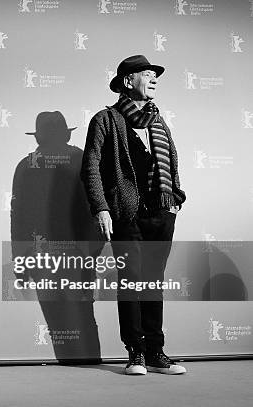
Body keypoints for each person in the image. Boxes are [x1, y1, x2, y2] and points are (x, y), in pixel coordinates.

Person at [80, 55, 187, 375]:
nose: (154, 79)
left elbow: (170, 159)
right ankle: (136, 353)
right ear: (128, 81)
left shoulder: (157, 118)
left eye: (156, 76)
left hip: (161, 213)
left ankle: (156, 352)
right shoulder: (106, 119)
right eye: (148, 75)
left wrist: (175, 197)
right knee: (131, 283)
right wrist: (101, 207)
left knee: (154, 284)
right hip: (127, 214)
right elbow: (91, 168)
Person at [11, 111, 101, 364]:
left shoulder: (26, 165)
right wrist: (90, 251)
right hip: (75, 254)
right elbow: (97, 207)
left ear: (38, 137)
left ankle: (70, 368)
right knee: (83, 315)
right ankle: (89, 368)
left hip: (43, 255)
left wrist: (21, 262)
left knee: (57, 318)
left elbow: (18, 218)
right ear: (66, 133)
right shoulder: (82, 159)